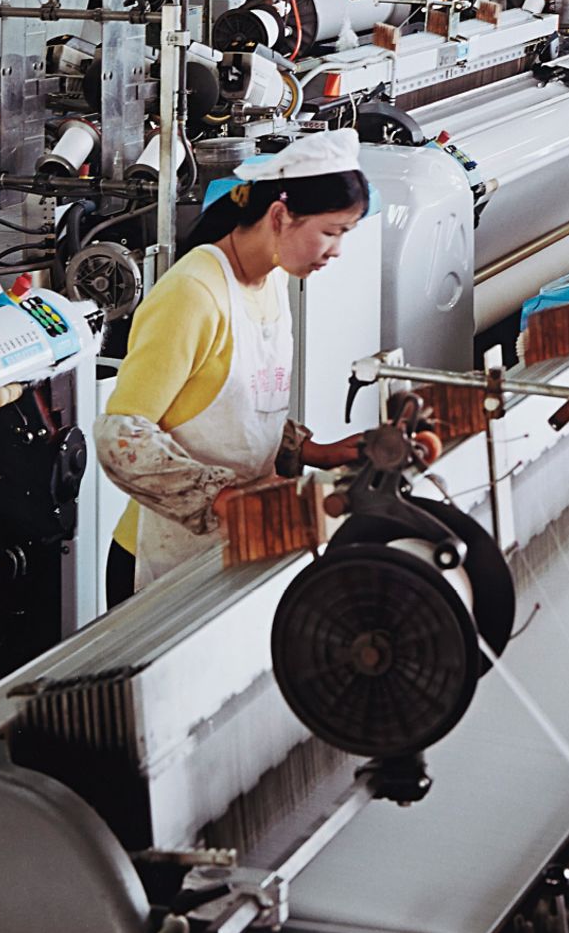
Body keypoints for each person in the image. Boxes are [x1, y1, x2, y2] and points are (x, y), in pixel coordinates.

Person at [97, 130, 369, 602]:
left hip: (234, 549)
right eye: (331, 232)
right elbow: (120, 437)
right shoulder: (194, 293)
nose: (338, 251)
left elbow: (227, 406)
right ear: (281, 216)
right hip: (164, 564)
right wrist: (223, 500)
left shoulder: (270, 281)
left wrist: (313, 452)